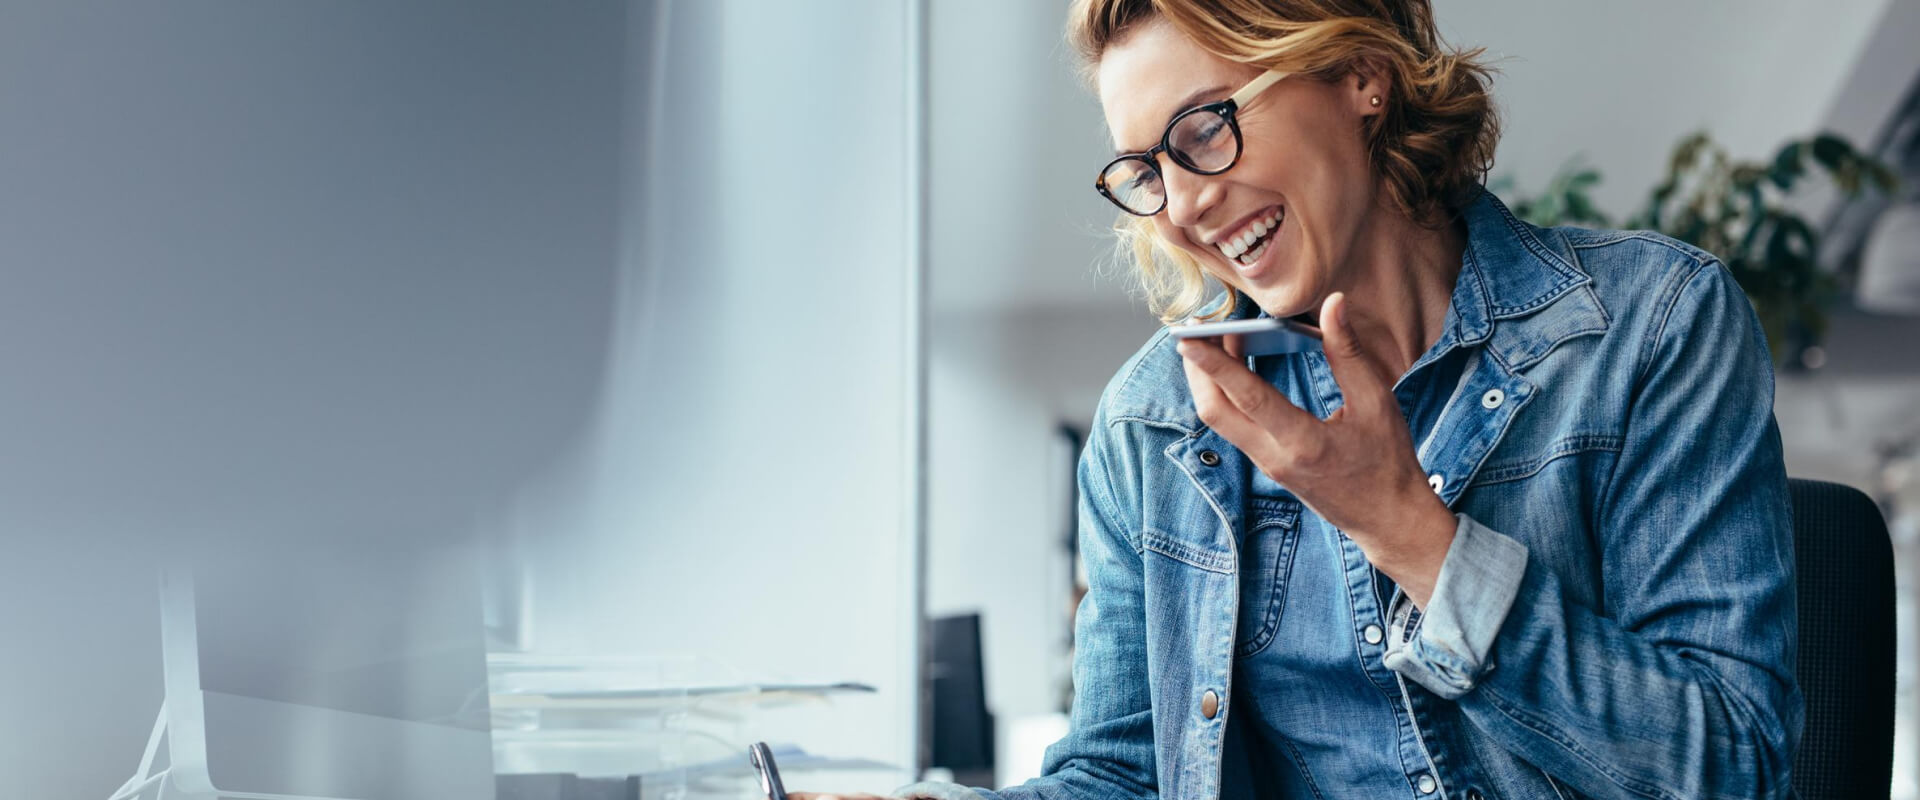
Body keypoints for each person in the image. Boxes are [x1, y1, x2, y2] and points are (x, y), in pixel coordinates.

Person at [796, 0, 1800, 798]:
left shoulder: (1651, 325)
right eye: (1146, 169)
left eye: (1203, 128)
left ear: (1361, 73)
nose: (1181, 205)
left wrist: (1409, 529)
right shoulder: (1152, 426)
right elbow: (1123, 776)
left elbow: (1735, 766)